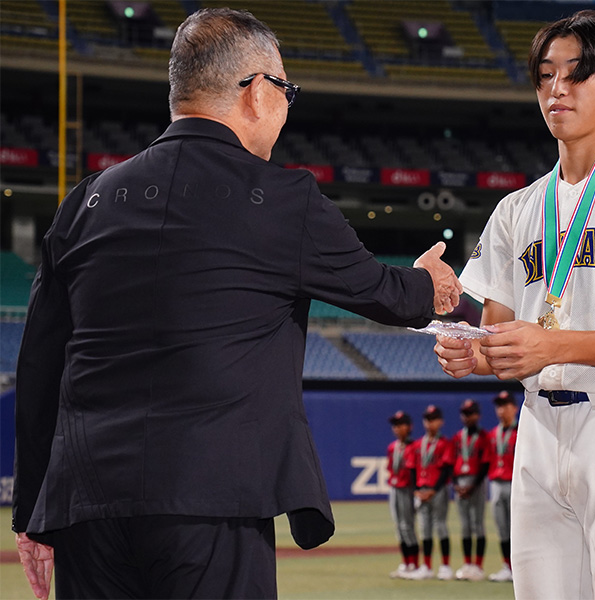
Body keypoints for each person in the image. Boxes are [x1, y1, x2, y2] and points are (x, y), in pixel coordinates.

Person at [12, 8, 462, 600]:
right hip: (210, 500)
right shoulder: (282, 198)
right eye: (286, 90)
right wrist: (432, 282)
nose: (286, 106)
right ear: (255, 91)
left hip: (86, 503)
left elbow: (40, 364)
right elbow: (387, 295)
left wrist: (29, 513)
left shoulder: (85, 201)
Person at [433, 9, 595, 599]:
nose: (556, 88)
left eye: (576, 73)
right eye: (545, 75)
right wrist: (468, 352)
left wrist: (550, 344)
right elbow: (498, 340)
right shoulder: (517, 209)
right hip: (539, 428)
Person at [405, 405, 454, 580]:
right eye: (427, 419)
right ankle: (426, 566)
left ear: (440, 422)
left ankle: (446, 566)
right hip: (422, 489)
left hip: (437, 490)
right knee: (424, 530)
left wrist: (434, 489)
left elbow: (447, 469)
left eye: (433, 419)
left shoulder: (444, 443)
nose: (429, 423)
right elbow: (411, 469)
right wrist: (417, 490)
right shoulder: (418, 445)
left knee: (440, 526)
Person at [451, 398, 490, 582]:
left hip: (476, 483)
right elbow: (452, 463)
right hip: (460, 484)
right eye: (465, 414)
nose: (467, 417)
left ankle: (479, 566)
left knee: (478, 524)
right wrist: (457, 485)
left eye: (471, 413)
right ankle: (467, 564)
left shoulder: (483, 437)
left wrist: (472, 486)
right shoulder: (458, 437)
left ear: (478, 415)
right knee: (465, 526)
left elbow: (485, 463)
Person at [486, 390, 518, 583]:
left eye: (505, 405)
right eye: (499, 406)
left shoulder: (522, 430)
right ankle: (507, 566)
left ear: (514, 408)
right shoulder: (493, 434)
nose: (501, 410)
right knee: (502, 528)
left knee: (518, 528)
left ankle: (519, 568)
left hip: (515, 483)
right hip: (496, 483)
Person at [386, 410, 419, 579]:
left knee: (408, 526)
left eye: (401, 425)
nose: (397, 428)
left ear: (409, 427)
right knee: (399, 526)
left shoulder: (414, 447)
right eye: (395, 425)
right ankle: (405, 563)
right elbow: (391, 467)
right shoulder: (393, 447)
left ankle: (415, 564)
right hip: (395, 488)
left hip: (407, 489)